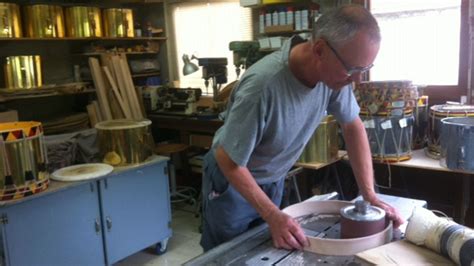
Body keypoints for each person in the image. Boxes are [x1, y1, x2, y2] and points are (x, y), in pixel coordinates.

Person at [200, 4, 404, 252]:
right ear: (319, 50)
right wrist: (273, 215)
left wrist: (369, 195)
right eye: (353, 69)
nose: (357, 80)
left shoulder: (334, 78)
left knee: (265, 246)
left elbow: (353, 126)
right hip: (232, 179)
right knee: (228, 253)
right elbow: (227, 158)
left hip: (272, 177)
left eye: (365, 70)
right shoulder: (263, 86)